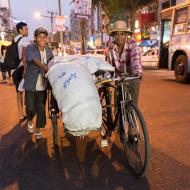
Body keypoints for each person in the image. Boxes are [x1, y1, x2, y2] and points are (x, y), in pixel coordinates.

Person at [24, 27, 54, 139]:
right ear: (35, 38)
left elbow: (53, 61)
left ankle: (37, 130)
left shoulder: (49, 50)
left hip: (43, 84)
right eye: (39, 37)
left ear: (46, 38)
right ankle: (30, 120)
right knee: (30, 107)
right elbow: (36, 61)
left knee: (41, 109)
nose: (42, 39)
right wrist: (46, 67)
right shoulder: (30, 48)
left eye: (44, 37)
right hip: (31, 83)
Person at [106, 20, 142, 105]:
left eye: (122, 34)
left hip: (132, 76)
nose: (119, 37)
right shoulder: (111, 47)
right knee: (118, 105)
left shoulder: (132, 43)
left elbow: (135, 59)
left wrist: (137, 72)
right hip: (119, 77)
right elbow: (109, 65)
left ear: (126, 34)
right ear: (113, 35)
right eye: (116, 34)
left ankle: (132, 115)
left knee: (132, 104)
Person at [12, 22, 30, 122]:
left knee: (18, 93)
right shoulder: (24, 39)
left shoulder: (14, 39)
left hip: (14, 69)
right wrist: (26, 70)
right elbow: (24, 56)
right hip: (22, 68)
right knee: (27, 90)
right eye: (26, 29)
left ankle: (21, 114)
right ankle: (29, 112)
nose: (27, 31)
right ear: (20, 30)